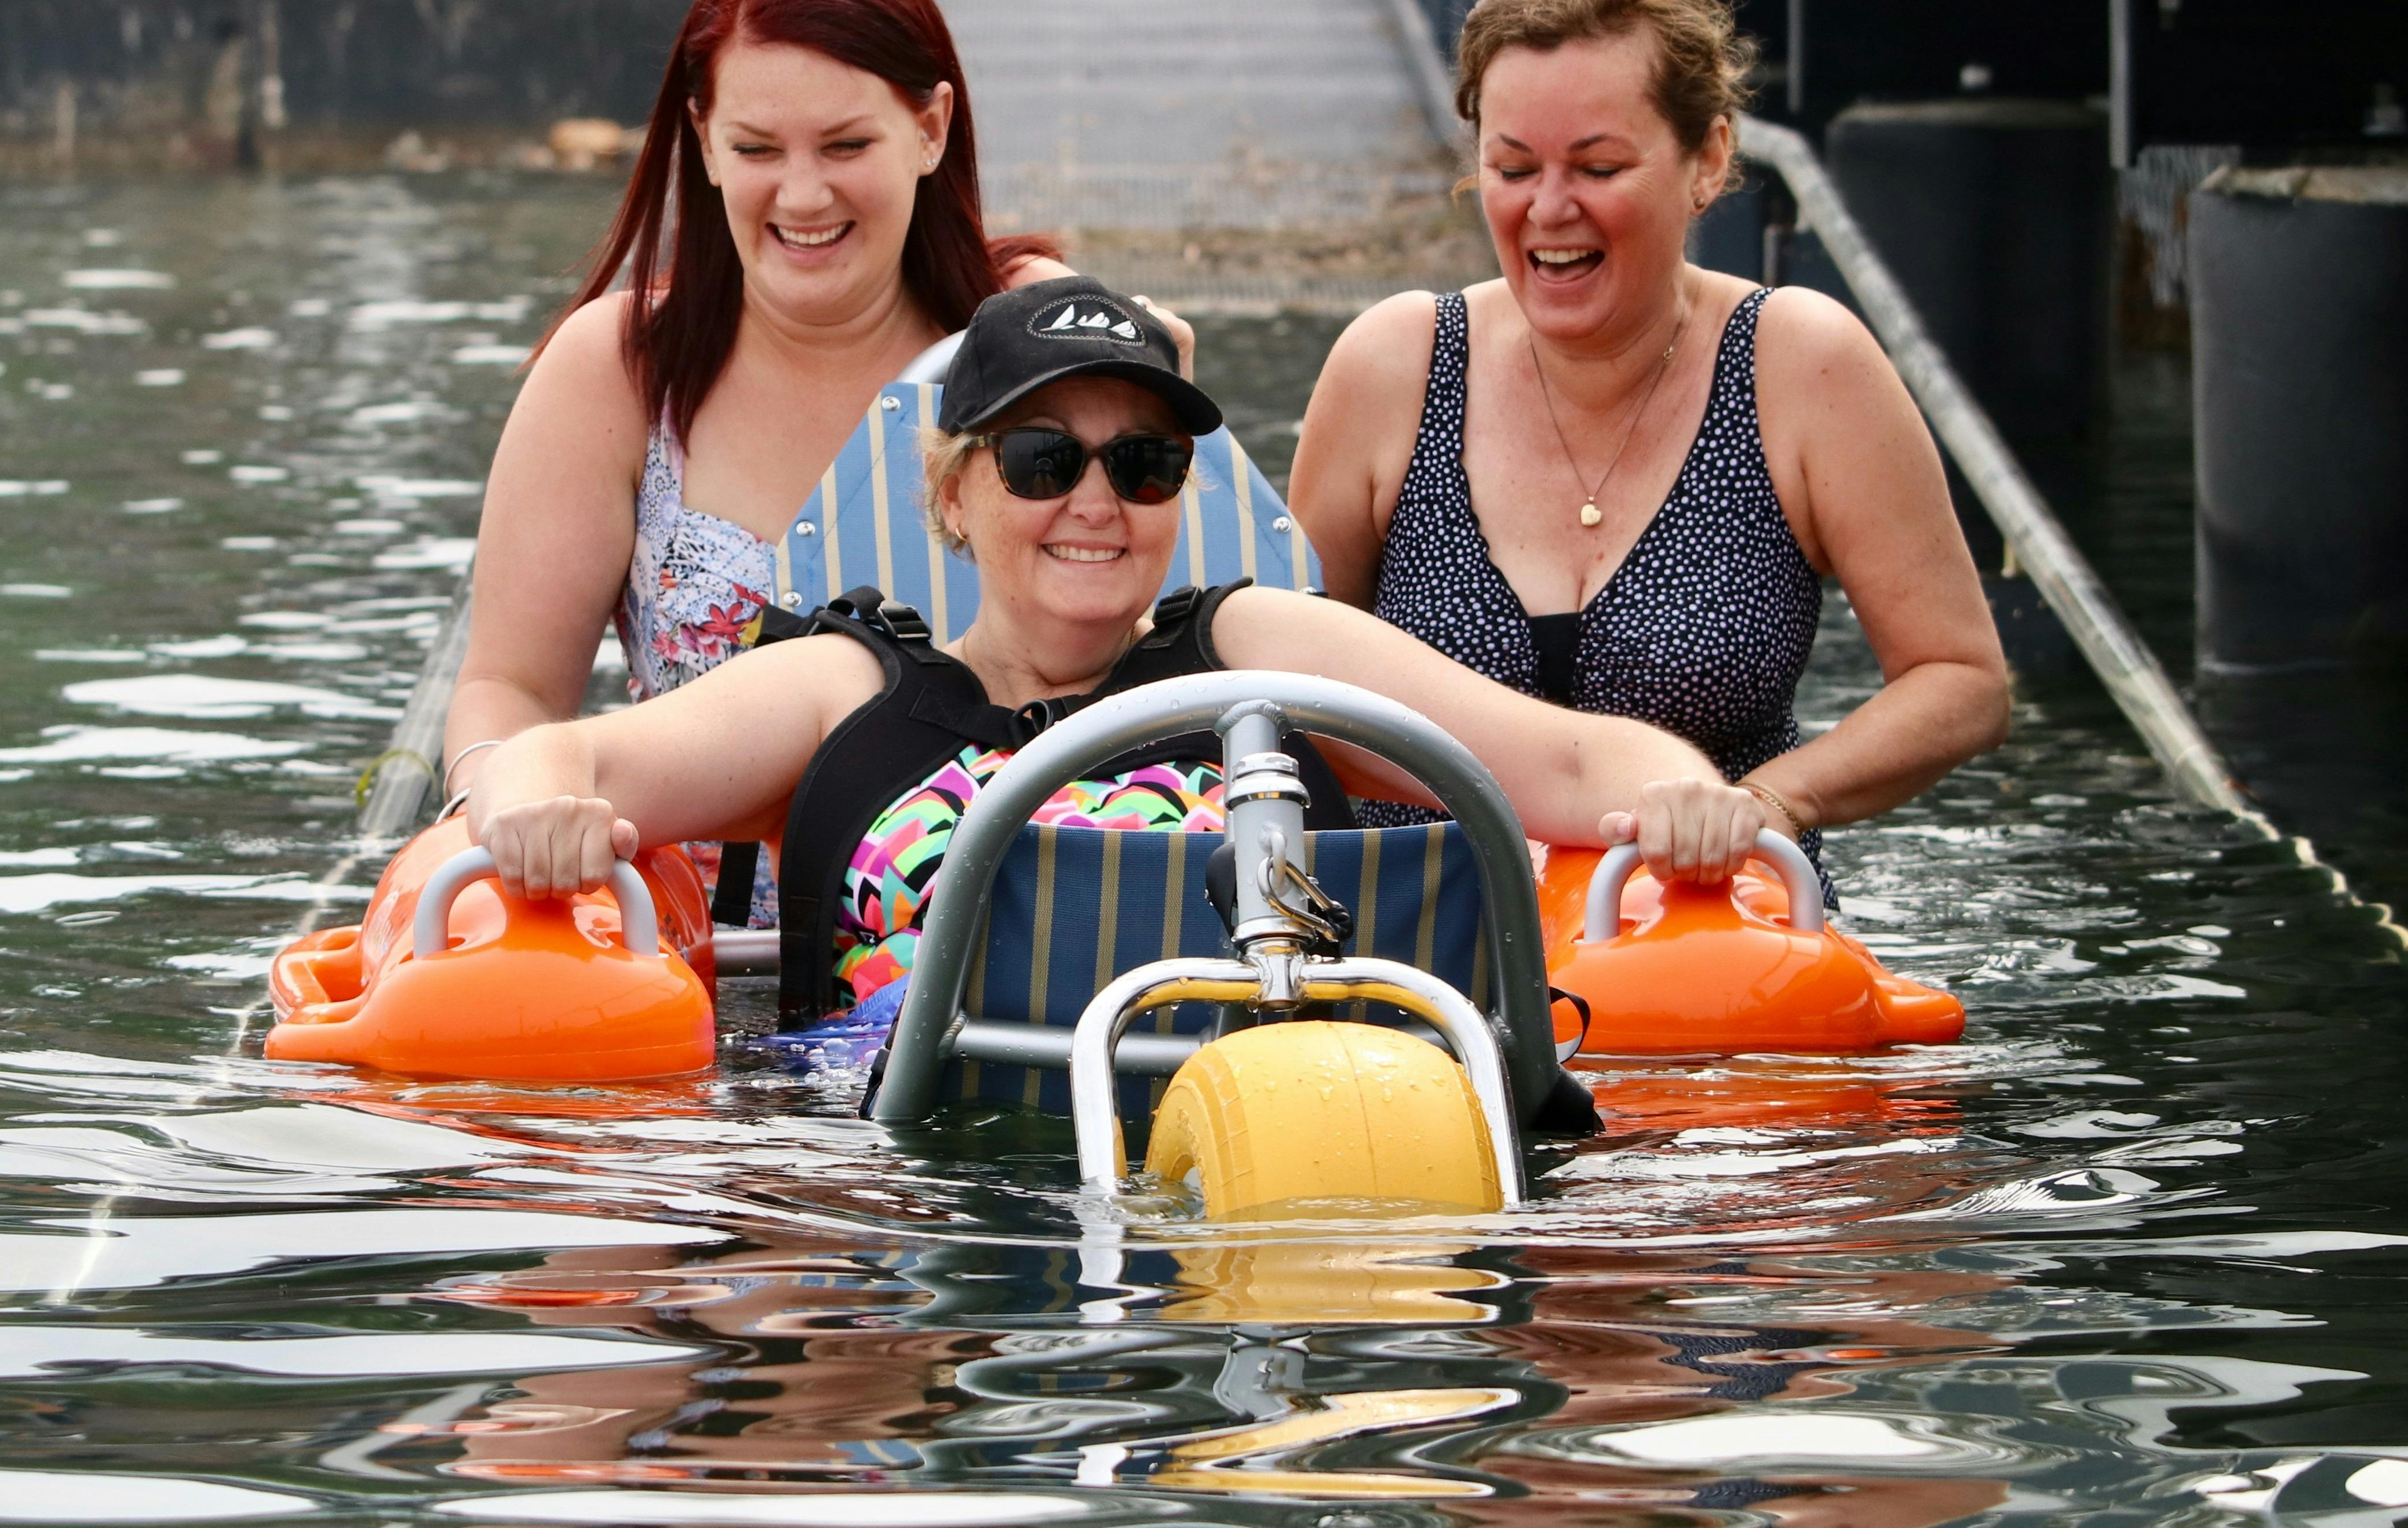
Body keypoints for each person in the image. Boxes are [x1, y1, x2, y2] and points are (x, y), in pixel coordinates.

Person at [468, 280, 1762, 1025]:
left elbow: (1573, 752)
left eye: (1143, 464)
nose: (1097, 500)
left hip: (1265, 1156)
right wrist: (537, 816)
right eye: (1044, 458)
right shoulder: (843, 685)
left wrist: (1683, 796)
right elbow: (572, 752)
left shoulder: (1254, 647)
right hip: (906, 1191)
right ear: (953, 492)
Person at [1288, 0, 2008, 871]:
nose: (1549, 210)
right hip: (1427, 946)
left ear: (1706, 159)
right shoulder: (1394, 363)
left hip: (1705, 937)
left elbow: (1961, 681)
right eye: (1513, 169)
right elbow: (1287, 681)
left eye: (1597, 167)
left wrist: (1764, 805)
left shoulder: (1800, 363)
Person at [445, 0, 1069, 892]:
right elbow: (510, 687)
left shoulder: (1036, 337)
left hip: (980, 945)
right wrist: (500, 805)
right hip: (685, 960)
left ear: (931, 129)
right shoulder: (614, 373)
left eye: (847, 143)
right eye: (757, 147)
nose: (804, 192)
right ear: (702, 140)